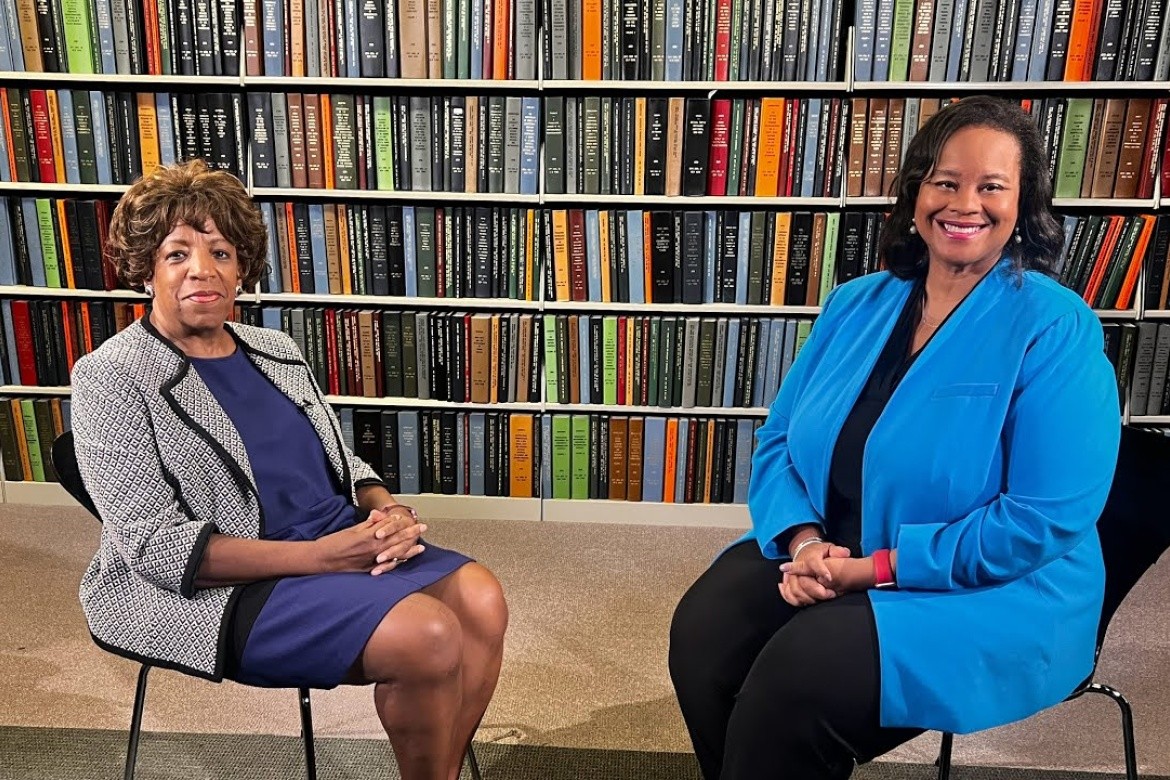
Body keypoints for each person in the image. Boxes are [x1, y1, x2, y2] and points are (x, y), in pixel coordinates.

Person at [668, 95, 1121, 780]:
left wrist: (875, 569)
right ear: (916, 193)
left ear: (1023, 203)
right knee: (705, 636)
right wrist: (805, 543)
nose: (964, 204)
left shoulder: (1056, 327)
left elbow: (1042, 519)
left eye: (991, 186)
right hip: (831, 545)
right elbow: (780, 440)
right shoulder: (856, 303)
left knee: (794, 683)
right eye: (945, 181)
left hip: (993, 587)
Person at [70, 159, 507, 780]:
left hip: (335, 538)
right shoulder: (110, 375)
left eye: (221, 252)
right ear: (146, 269)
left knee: (483, 600)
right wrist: (324, 558)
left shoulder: (276, 350)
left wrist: (385, 508)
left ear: (241, 269)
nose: (202, 269)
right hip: (227, 580)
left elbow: (341, 461)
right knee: (430, 635)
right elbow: (153, 546)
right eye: (177, 254)